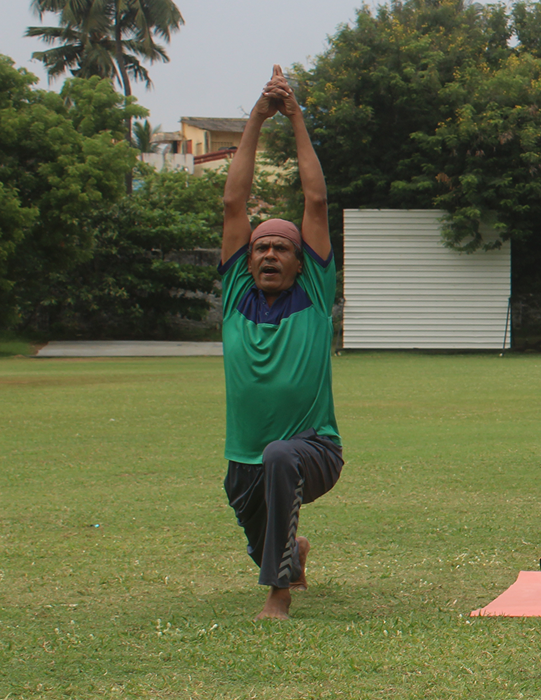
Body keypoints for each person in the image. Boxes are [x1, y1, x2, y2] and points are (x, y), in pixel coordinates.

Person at [218, 66, 343, 620]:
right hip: (242, 460)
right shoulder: (235, 296)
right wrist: (254, 118)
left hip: (313, 448)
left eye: (281, 248)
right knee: (261, 522)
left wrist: (293, 118)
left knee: (280, 457)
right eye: (260, 247)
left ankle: (279, 591)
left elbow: (315, 203)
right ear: (247, 260)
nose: (269, 254)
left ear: (301, 261)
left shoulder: (314, 293)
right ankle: (291, 553)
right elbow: (232, 205)